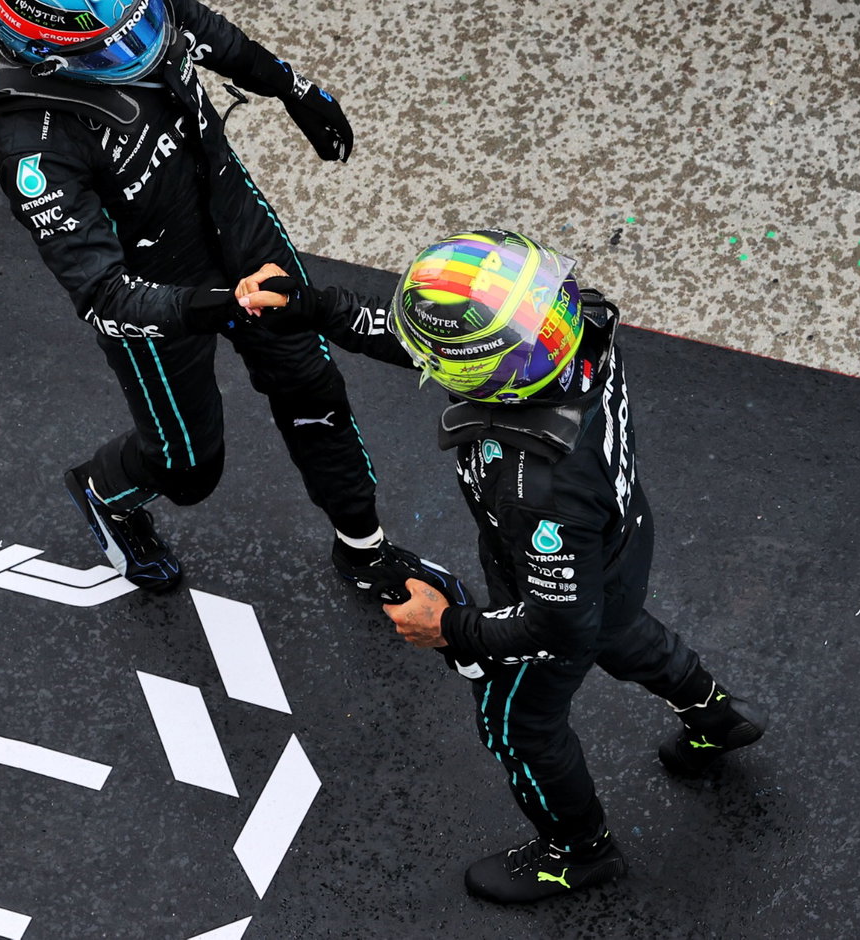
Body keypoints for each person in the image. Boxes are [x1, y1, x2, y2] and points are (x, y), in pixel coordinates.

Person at [235, 230, 770, 903]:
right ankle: (715, 715)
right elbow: (446, 345)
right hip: (619, 542)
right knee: (622, 626)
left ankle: (579, 853)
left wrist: (453, 626)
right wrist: (313, 306)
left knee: (519, 727)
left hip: (553, 576)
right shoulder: (577, 322)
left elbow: (557, 625)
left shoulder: (536, 485)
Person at [0, 0, 426, 600]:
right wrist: (218, 305)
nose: (137, 43)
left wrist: (292, 88)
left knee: (312, 385)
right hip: (162, 299)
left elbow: (197, 26)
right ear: (40, 51)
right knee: (189, 469)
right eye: (110, 43)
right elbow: (102, 296)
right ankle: (103, 492)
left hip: (232, 221)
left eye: (137, 22)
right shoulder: (34, 150)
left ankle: (363, 550)